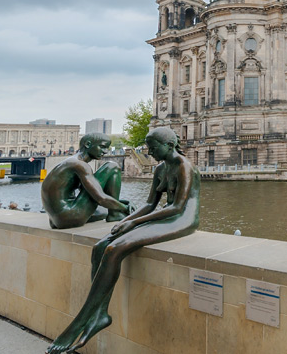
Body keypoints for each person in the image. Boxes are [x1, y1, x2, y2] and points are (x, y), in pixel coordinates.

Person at [47, 127, 200, 353]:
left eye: (153, 147)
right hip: (167, 215)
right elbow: (150, 205)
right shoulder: (159, 169)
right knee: (100, 246)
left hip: (183, 219)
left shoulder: (185, 167)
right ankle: (99, 314)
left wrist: (134, 223)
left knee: (115, 249)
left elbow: (178, 207)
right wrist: (128, 219)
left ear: (168, 145)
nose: (149, 151)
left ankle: (81, 320)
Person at [41, 133, 130, 229]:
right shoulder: (80, 165)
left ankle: (114, 212)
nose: (105, 152)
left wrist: (121, 203)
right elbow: (101, 198)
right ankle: (115, 214)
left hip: (57, 219)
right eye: (102, 147)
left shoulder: (71, 162)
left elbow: (91, 193)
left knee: (103, 212)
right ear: (87, 144)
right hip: (70, 215)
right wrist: (126, 208)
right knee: (112, 166)